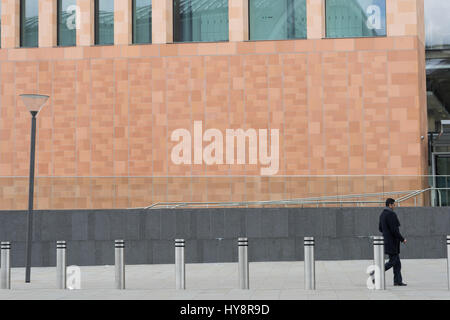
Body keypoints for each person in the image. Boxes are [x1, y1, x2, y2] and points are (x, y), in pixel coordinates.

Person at [378, 198, 407, 286]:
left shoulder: (382, 214)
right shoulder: (391, 214)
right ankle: (375, 272)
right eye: (394, 204)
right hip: (392, 242)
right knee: (393, 261)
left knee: (397, 263)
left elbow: (380, 228)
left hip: (387, 241)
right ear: (390, 205)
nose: (395, 206)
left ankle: (397, 281)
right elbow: (395, 230)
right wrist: (402, 239)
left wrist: (386, 234)